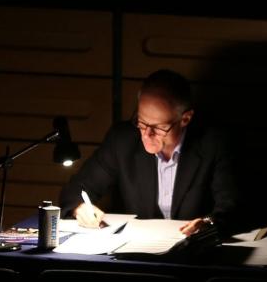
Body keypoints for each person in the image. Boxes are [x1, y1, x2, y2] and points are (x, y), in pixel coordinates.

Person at [59, 69, 244, 236]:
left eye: (159, 127)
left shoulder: (214, 143)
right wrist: (80, 207)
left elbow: (232, 207)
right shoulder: (123, 140)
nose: (147, 134)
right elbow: (75, 191)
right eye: (141, 122)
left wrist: (208, 224)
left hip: (195, 256)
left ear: (185, 119)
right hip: (138, 255)